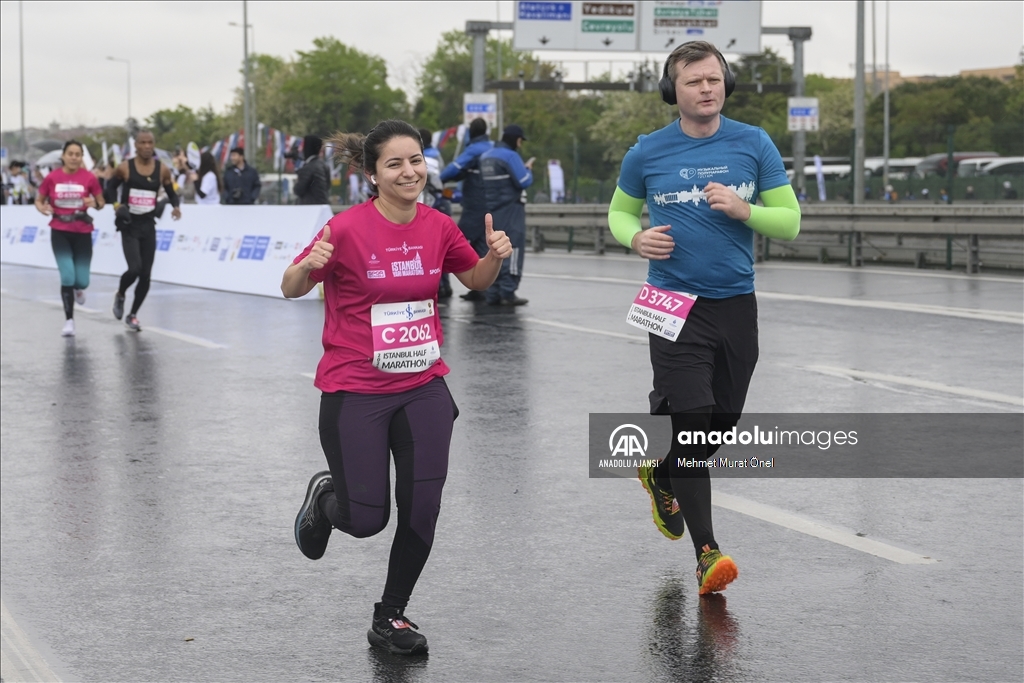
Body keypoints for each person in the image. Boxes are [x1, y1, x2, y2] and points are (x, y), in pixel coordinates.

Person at [281, 119, 512, 656]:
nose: (410, 172)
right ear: (372, 174)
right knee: (366, 520)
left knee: (422, 508)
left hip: (423, 385)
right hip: (356, 389)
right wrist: (309, 266)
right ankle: (326, 497)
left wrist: (495, 256)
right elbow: (290, 287)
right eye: (395, 164)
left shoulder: (436, 225)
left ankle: (392, 616)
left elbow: (474, 280)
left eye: (416, 160)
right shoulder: (345, 229)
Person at [608, 41, 800, 595]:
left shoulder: (753, 142)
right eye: (693, 81)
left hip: (737, 302)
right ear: (675, 90)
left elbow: (789, 222)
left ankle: (661, 472)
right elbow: (620, 213)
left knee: (723, 417)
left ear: (726, 83)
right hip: (671, 302)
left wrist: (746, 210)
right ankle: (706, 552)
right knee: (693, 416)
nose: (706, 89)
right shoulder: (646, 152)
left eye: (713, 79)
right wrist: (636, 237)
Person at [104, 130, 182, 331]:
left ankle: (133, 314)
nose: (147, 146)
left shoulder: (162, 169)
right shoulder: (125, 168)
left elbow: (172, 192)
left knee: (146, 274)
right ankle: (121, 294)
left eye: (150, 143)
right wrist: (115, 205)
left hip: (148, 225)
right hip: (129, 225)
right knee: (134, 269)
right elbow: (109, 189)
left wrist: (176, 207)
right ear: (136, 146)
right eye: (143, 143)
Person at [34, 140, 105, 337]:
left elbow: (101, 201)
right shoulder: (52, 178)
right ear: (63, 156)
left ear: (82, 157)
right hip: (60, 230)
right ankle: (69, 321)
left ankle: (78, 289)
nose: (74, 157)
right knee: (67, 276)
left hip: (82, 231)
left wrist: (95, 203)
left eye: (78, 154)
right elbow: (39, 200)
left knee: (82, 281)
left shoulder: (89, 178)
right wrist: (42, 208)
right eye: (70, 153)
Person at [480, 124, 534, 306]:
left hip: (492, 209)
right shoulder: (510, 156)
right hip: (512, 209)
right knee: (514, 247)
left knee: (494, 248)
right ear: (516, 140)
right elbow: (524, 181)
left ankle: (492, 291)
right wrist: (528, 169)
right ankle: (508, 291)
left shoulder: (486, 157)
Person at [440, 118, 493, 301]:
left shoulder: (474, 150)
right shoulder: (494, 148)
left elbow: (453, 169)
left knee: (453, 243)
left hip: (475, 204)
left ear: (471, 132)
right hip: (493, 204)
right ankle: (481, 289)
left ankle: (440, 286)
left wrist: (438, 180)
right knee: (481, 245)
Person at [419, 127, 454, 299]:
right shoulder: (436, 155)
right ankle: (445, 285)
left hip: (430, 204)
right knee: (443, 246)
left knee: (431, 247)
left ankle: (438, 285)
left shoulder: (425, 158)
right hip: (440, 204)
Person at [294, 135, 331, 205]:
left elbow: (298, 190)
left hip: (310, 208)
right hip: (323, 205)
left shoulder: (308, 167)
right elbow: (327, 186)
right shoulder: (324, 165)